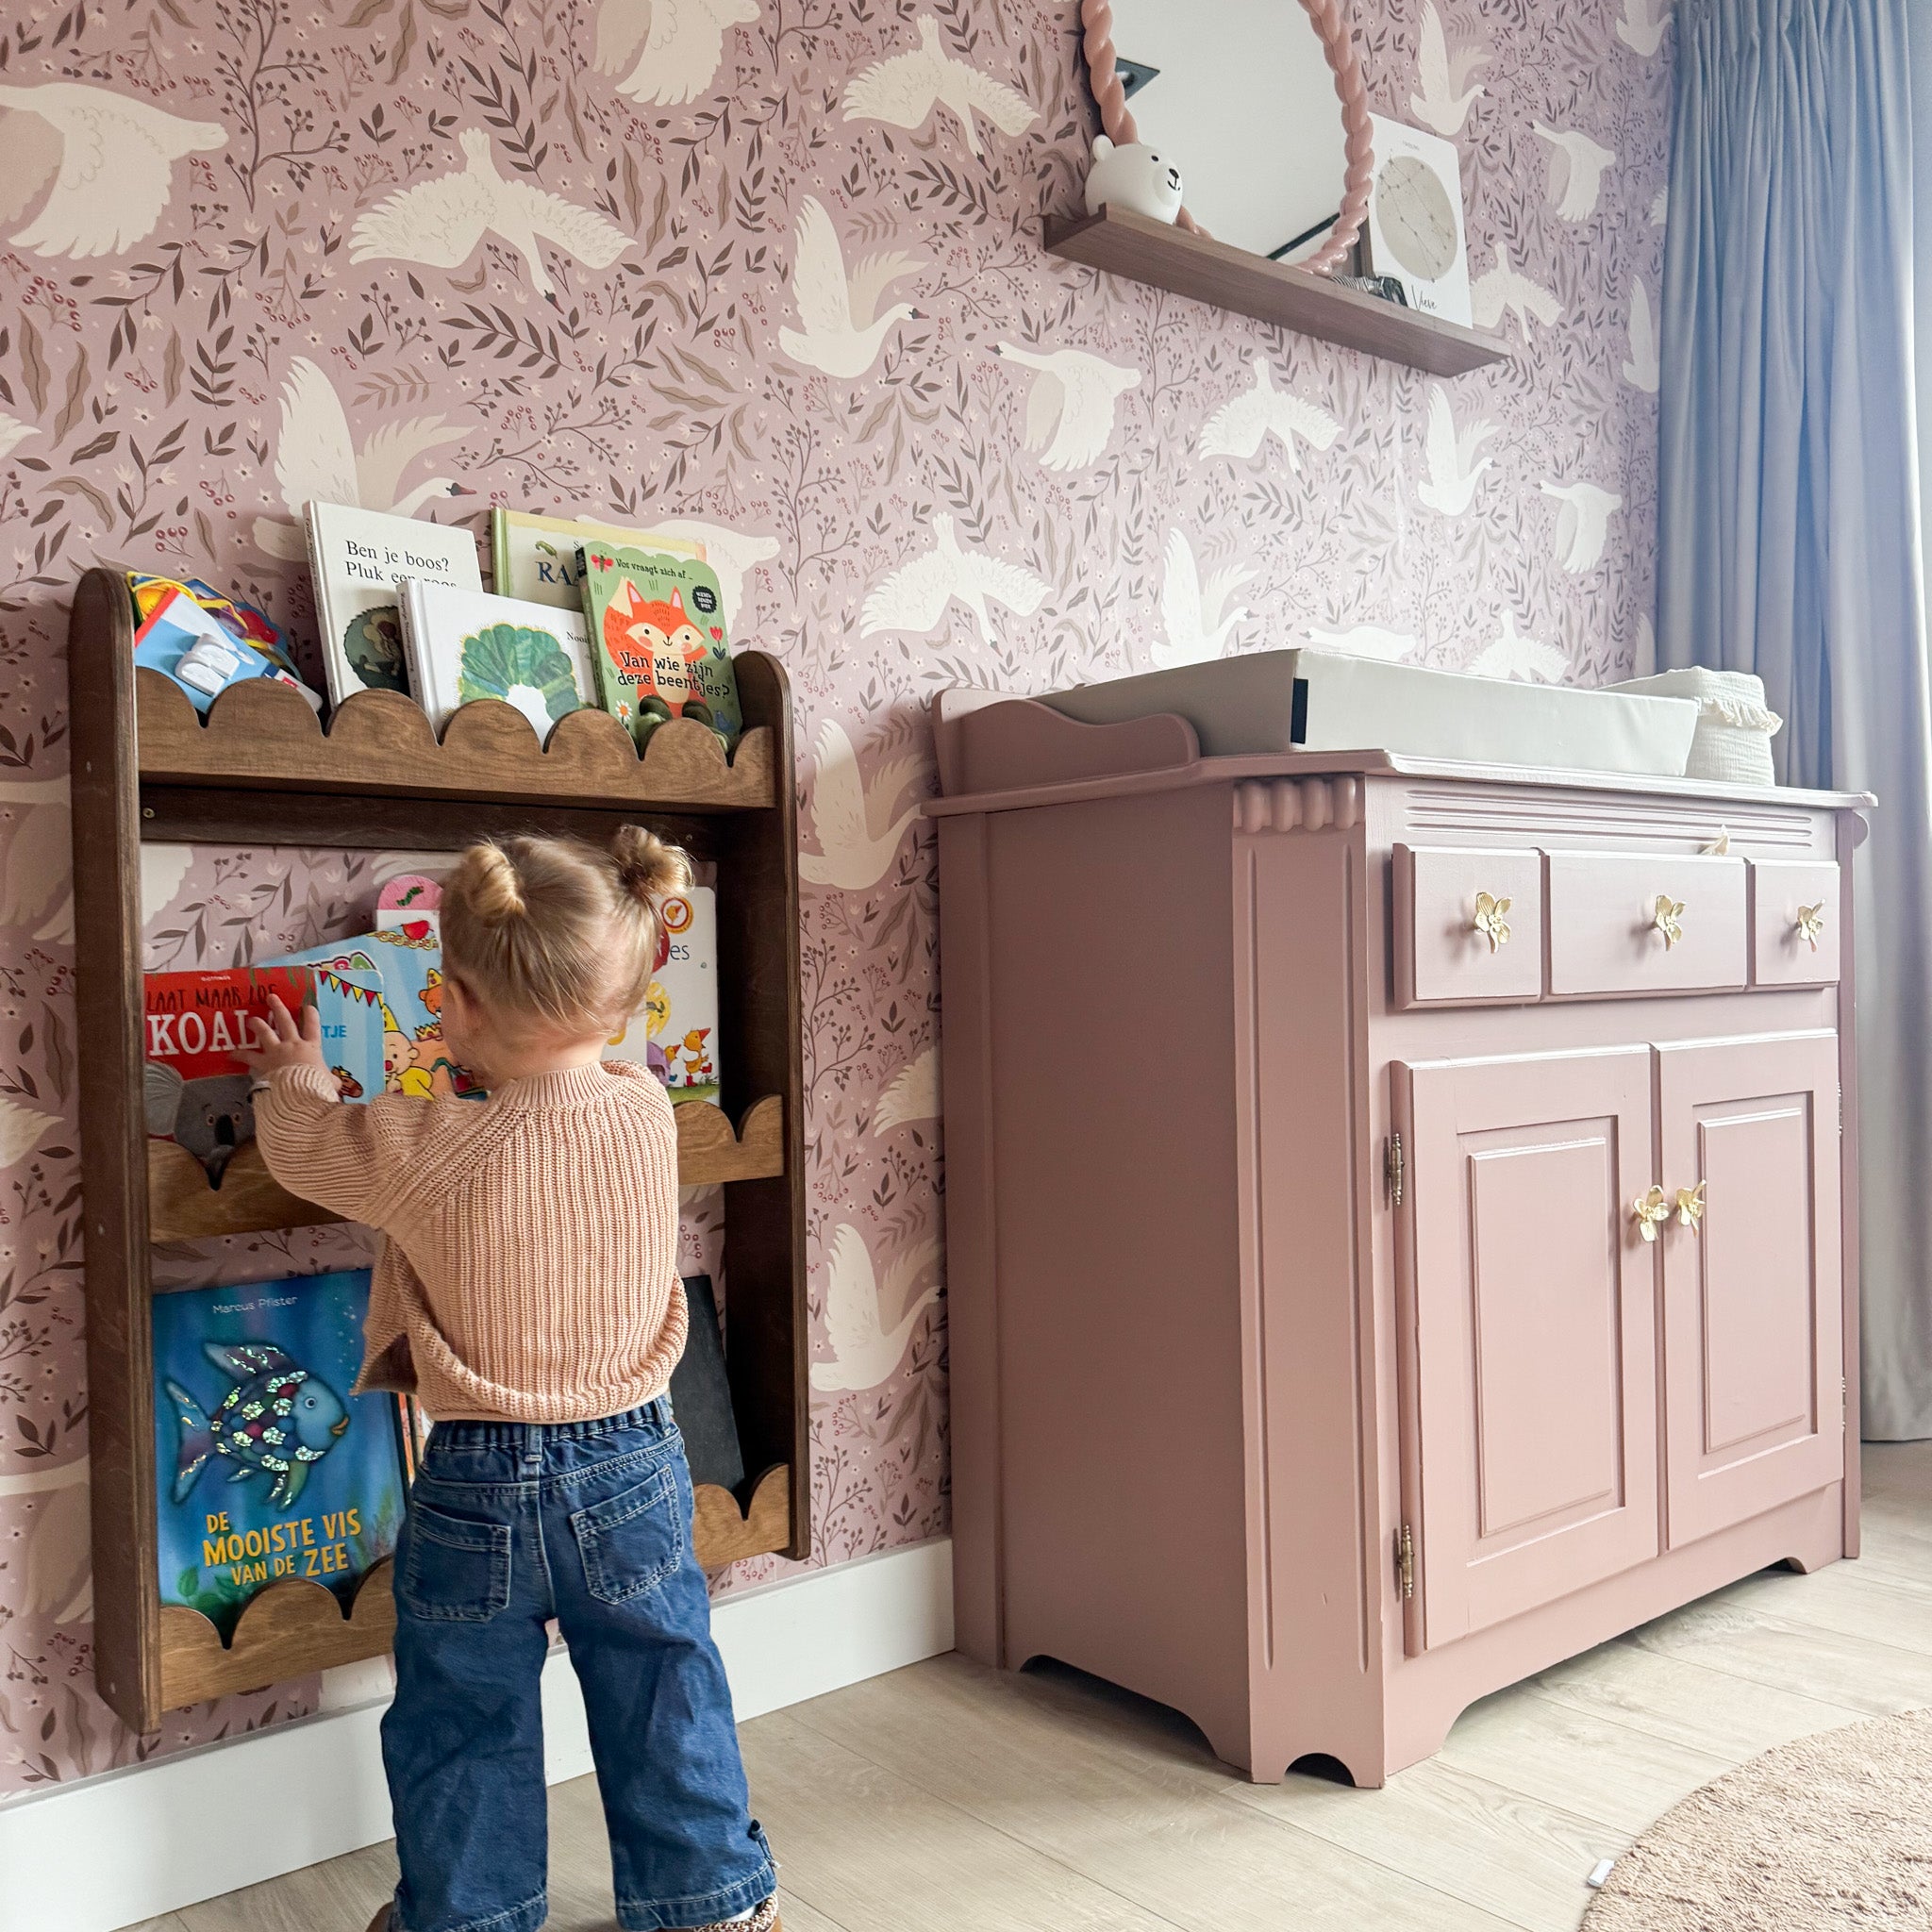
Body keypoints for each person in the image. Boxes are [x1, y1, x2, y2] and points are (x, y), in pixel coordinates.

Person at [242, 828, 778, 1932]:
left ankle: (469, 1913)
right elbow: (551, 1125)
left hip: (477, 1476)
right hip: (634, 1455)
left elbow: (305, 1149)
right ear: (624, 997)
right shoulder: (644, 1110)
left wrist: (290, 1076)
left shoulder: (424, 1141)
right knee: (664, 1686)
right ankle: (708, 1903)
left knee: (463, 1710)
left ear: (453, 1002)